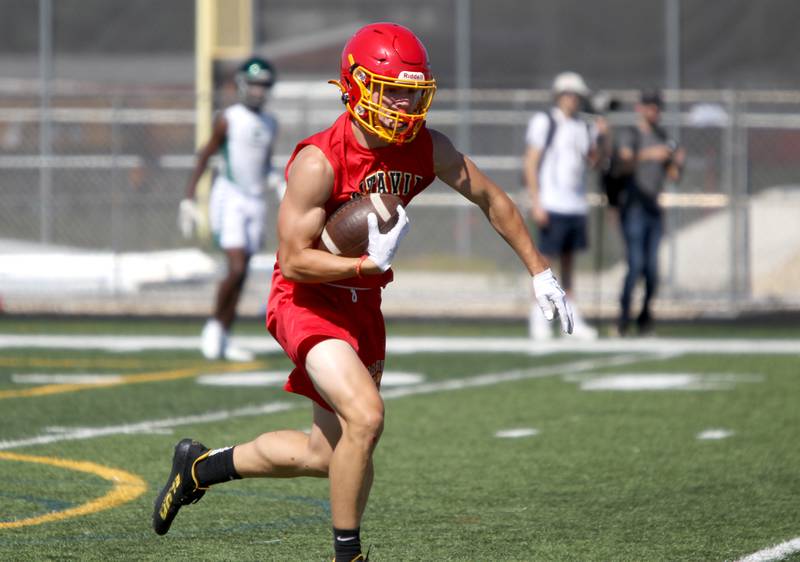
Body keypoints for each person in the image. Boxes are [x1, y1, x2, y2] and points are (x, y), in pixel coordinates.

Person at [153, 23, 573, 561]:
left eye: (411, 91)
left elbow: (491, 198)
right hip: (305, 301)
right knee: (367, 418)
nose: (402, 104)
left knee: (324, 455)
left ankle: (199, 467)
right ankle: (348, 556)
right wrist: (362, 262)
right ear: (354, 86)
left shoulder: (424, 147)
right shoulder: (319, 160)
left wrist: (538, 270)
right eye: (390, 88)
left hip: (361, 302)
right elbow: (293, 260)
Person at [179, 56, 280, 361]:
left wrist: (278, 181)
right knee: (235, 267)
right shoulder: (230, 118)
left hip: (255, 199)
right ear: (241, 86)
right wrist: (189, 196)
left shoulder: (270, 122)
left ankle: (224, 334)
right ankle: (213, 327)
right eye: (254, 85)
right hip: (230, 196)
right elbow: (205, 154)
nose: (259, 92)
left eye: (264, 85)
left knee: (243, 272)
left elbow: (263, 164)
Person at [522, 71, 608, 341]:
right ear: (560, 95)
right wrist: (536, 202)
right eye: (569, 95)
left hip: (575, 205)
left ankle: (571, 316)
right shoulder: (545, 122)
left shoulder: (583, 126)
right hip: (551, 203)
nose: (573, 100)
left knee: (569, 264)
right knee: (543, 262)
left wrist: (603, 136)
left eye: (577, 96)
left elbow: (594, 161)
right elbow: (531, 163)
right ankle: (539, 316)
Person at [615, 88, 686, 336]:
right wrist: (649, 154)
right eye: (649, 106)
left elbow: (674, 176)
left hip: (654, 209)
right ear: (640, 108)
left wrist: (676, 161)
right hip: (633, 207)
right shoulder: (630, 135)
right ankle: (623, 319)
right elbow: (623, 163)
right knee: (635, 265)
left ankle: (645, 319)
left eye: (657, 107)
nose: (654, 111)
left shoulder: (663, 136)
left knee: (653, 271)